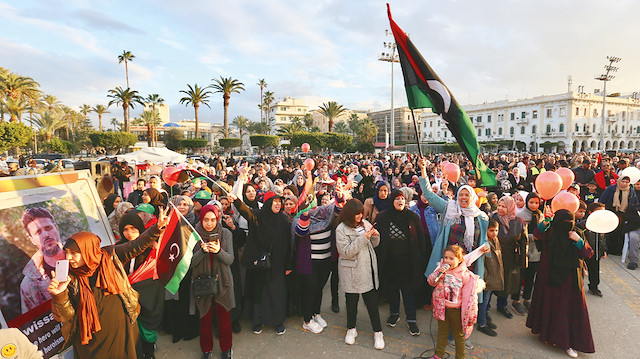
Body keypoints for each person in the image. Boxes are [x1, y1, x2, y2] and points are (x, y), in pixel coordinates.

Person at [48, 208, 169, 359]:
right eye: (66, 252)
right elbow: (67, 316)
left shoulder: (109, 257)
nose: (69, 257)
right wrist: (59, 296)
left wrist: (157, 228)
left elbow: (136, 245)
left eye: (73, 253)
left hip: (121, 329)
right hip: (90, 338)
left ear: (88, 250)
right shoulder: (70, 277)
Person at [526, 209, 595, 358]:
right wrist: (545, 223)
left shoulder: (576, 233)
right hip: (549, 276)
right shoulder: (550, 231)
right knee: (550, 305)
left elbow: (588, 254)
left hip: (570, 279)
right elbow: (537, 235)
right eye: (565, 222)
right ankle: (546, 334)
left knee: (567, 309)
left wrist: (579, 241)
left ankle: (567, 342)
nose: (568, 225)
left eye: (571, 222)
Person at [375, 190, 429, 336]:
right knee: (392, 290)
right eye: (397, 199)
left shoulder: (412, 217)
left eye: (402, 199)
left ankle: (411, 319)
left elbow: (421, 238)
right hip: (390, 262)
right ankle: (394, 314)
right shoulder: (382, 217)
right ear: (392, 201)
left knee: (408, 291)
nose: (400, 201)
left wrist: (421, 257)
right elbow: (377, 239)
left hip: (409, 262)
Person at [335, 199, 384, 350]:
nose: (359, 216)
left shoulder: (365, 224)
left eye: (361, 213)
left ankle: (378, 332)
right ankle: (351, 328)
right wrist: (364, 238)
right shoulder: (341, 229)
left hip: (367, 270)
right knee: (351, 301)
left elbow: (374, 244)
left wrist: (375, 235)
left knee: (371, 303)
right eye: (356, 214)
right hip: (350, 271)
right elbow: (346, 252)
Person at [117, 210, 166, 359]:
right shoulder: (118, 248)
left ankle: (149, 353)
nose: (129, 233)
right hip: (125, 296)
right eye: (125, 229)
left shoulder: (152, 248)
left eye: (133, 229)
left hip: (148, 294)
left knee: (147, 327)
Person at [192, 205, 235, 359]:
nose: (209, 223)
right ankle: (206, 349)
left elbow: (230, 259)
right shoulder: (194, 235)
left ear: (217, 220)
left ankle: (226, 349)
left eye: (212, 220)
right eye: (205, 220)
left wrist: (218, 251)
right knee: (205, 318)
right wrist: (202, 252)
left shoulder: (226, 234)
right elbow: (190, 263)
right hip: (202, 283)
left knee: (224, 318)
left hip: (222, 282)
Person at [427, 245, 481, 359]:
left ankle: (460, 356)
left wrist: (471, 315)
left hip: (457, 311)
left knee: (459, 335)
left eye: (451, 258)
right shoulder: (441, 270)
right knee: (442, 333)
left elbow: (471, 298)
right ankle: (438, 354)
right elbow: (431, 281)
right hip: (442, 308)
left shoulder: (465, 275)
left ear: (459, 259)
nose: (447, 261)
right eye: (446, 257)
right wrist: (438, 274)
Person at [20, 207, 66, 313]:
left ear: (56, 228)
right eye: (38, 232)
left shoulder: (82, 256)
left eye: (48, 228)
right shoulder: (28, 285)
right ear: (32, 240)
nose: (45, 235)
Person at [493, 196, 528, 317]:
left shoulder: (518, 222)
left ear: (510, 207)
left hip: (510, 256)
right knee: (491, 281)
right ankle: (484, 311)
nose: (500, 209)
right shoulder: (493, 219)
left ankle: (501, 306)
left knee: (506, 282)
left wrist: (524, 261)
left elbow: (524, 242)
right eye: (499, 205)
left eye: (504, 206)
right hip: (494, 255)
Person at [477, 219, 503, 337]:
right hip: (487, 278)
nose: (494, 233)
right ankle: (482, 324)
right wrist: (486, 277)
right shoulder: (484, 243)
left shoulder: (495, 240)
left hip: (494, 275)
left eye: (496, 230)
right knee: (483, 302)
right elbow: (482, 263)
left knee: (487, 302)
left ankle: (485, 319)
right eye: (491, 230)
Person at [600, 175, 638, 255]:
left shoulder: (631, 191)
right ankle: (606, 249)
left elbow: (634, 203)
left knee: (620, 233)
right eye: (623, 181)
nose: (624, 184)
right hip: (611, 212)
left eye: (627, 182)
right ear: (619, 181)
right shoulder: (611, 189)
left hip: (624, 214)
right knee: (609, 231)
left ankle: (616, 250)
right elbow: (603, 200)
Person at [576, 202, 607, 296]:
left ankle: (594, 287)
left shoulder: (603, 224)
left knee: (595, 270)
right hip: (585, 251)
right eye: (597, 212)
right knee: (580, 270)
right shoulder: (583, 224)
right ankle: (577, 287)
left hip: (597, 251)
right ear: (590, 212)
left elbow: (603, 238)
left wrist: (604, 250)